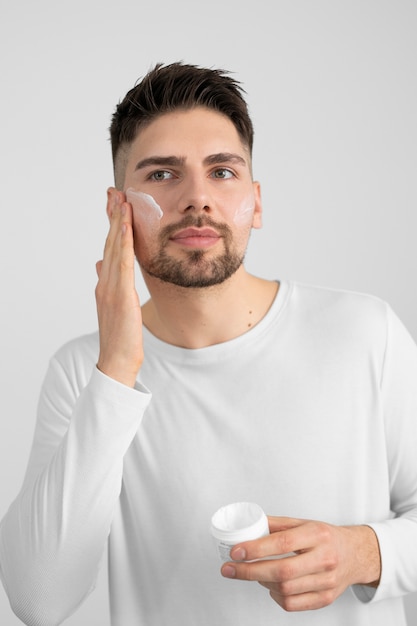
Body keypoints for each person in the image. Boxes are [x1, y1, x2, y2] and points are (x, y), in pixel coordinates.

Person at [0, 62, 416, 626]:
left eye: (222, 172)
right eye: (163, 175)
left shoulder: (365, 332)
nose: (198, 198)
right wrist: (117, 367)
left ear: (257, 201)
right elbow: (38, 600)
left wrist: (366, 553)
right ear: (116, 208)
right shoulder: (84, 373)